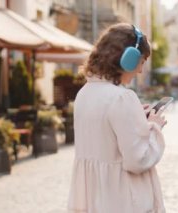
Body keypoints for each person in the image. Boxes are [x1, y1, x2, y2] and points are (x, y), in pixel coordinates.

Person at [68, 23, 167, 213]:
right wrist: (154, 128)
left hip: (94, 200)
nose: (139, 71)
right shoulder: (122, 97)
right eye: (141, 62)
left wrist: (137, 119)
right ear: (127, 60)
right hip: (121, 201)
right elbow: (138, 160)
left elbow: (107, 138)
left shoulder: (84, 93)